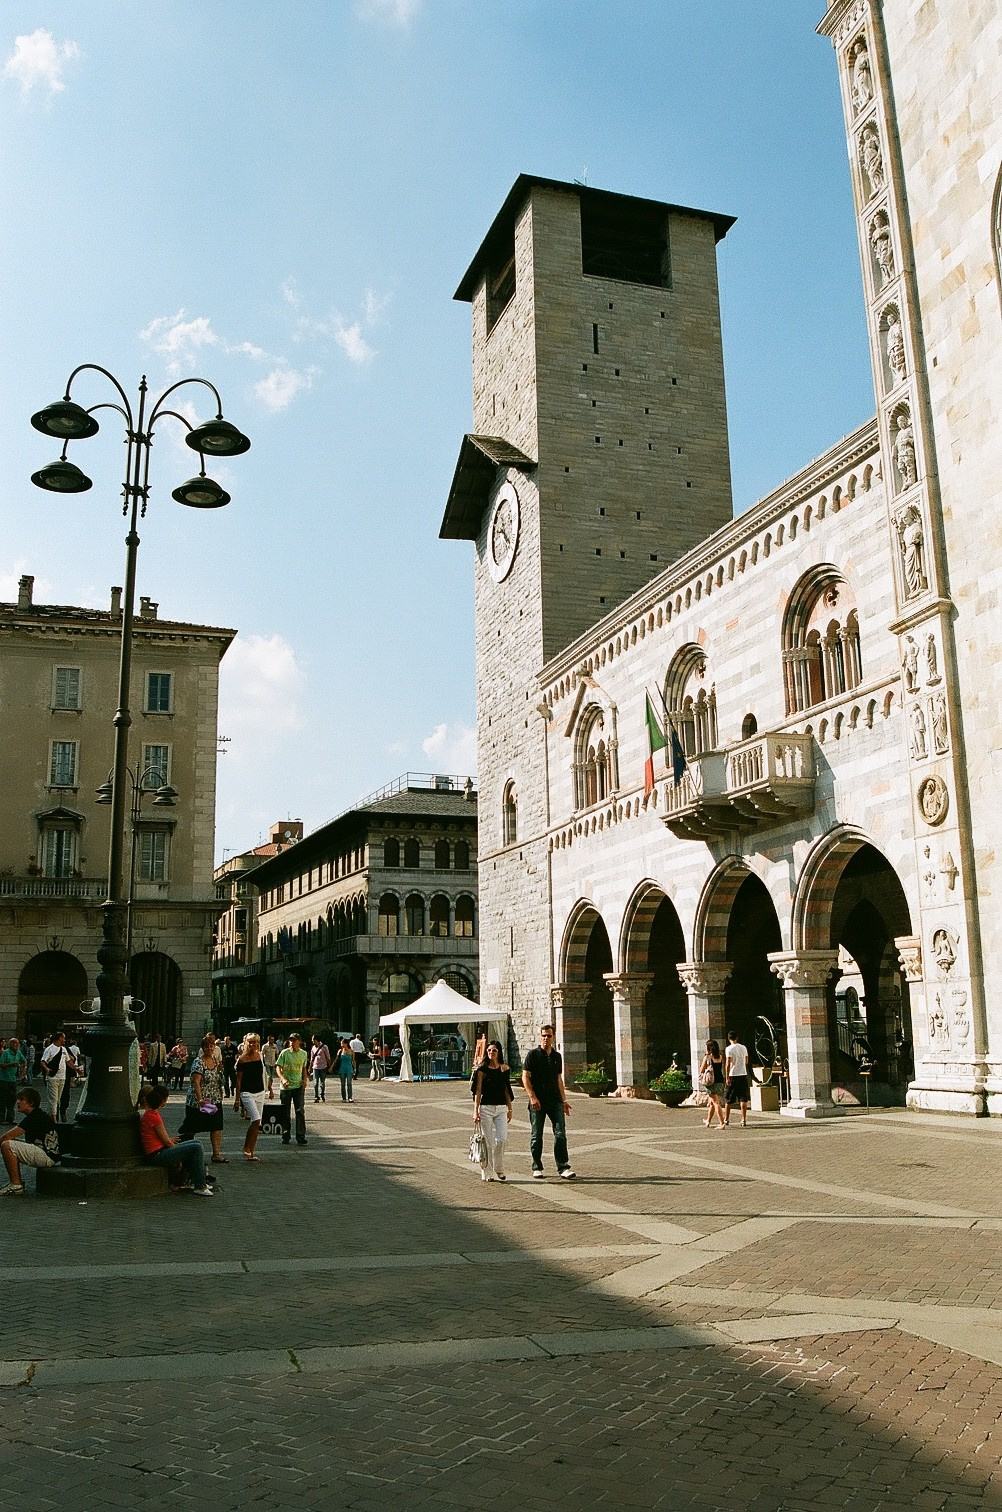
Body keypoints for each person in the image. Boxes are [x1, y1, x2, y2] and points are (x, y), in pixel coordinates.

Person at [138, 1085, 213, 1195]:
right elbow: (166, 1141)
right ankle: (200, 1185)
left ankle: (198, 1181)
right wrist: (178, 1154)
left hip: (157, 1151)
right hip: (157, 1154)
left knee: (196, 1143)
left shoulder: (150, 1115)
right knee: (196, 1147)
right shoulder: (154, 1116)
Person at [522, 1025, 575, 1179]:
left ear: (553, 1037)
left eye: (549, 1036)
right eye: (544, 1035)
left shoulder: (557, 1057)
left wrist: (564, 1100)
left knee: (560, 1134)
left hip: (555, 1101)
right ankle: (537, 1166)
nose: (546, 1038)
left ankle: (563, 1166)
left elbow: (559, 1079)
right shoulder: (533, 1055)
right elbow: (525, 1077)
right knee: (536, 1135)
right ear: (540, 1037)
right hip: (537, 1101)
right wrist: (532, 1097)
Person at [0, 1087, 60, 1194]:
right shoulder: (38, 1115)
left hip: (46, 1156)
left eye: (21, 1099)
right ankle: (16, 1182)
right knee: (10, 1143)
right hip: (48, 1153)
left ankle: (16, 1185)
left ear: (30, 1103)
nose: (18, 1102)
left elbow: (5, 1137)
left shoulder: (33, 1118)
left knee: (7, 1145)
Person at [177, 1034, 227, 1162]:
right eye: (206, 1046)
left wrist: (221, 1093)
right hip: (198, 1102)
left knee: (216, 1126)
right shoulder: (198, 1062)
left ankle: (216, 1154)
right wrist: (200, 1100)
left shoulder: (215, 1061)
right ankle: (182, 1151)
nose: (209, 1049)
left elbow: (218, 1080)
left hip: (214, 1100)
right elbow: (196, 1082)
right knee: (191, 1128)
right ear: (202, 1048)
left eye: (211, 1046)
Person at [472, 1040, 514, 1182]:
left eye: (494, 1050)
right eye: (489, 1050)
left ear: (499, 1052)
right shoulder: (482, 1070)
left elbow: (506, 1089)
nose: (491, 1053)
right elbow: (478, 1091)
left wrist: (510, 1108)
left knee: (502, 1139)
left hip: (501, 1107)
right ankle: (486, 1171)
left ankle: (499, 1168)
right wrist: (475, 1111)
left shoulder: (504, 1069)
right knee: (487, 1142)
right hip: (486, 1108)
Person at [234, 1033, 267, 1161]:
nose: (252, 1045)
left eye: (255, 1042)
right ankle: (246, 1147)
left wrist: (268, 1088)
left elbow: (264, 1073)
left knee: (257, 1123)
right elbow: (238, 1081)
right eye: (250, 1042)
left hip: (260, 1092)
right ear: (246, 1043)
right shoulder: (242, 1059)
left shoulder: (259, 1056)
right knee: (256, 1119)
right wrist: (237, 1099)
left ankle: (250, 1151)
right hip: (247, 1093)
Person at [277, 1032, 308, 1146]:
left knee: (300, 1111)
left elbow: (304, 1068)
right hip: (286, 1087)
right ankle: (285, 1135)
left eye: (294, 1040)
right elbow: (278, 1068)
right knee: (285, 1112)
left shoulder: (303, 1054)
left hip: (298, 1086)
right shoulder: (284, 1053)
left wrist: (304, 1079)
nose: (292, 1042)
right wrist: (282, 1078)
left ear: (299, 1042)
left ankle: (300, 1136)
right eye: (290, 1040)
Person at [40, 1032, 73, 1120]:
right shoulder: (49, 1049)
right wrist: (46, 1069)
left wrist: (76, 1069)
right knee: (53, 1099)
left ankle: (51, 1115)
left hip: (62, 1077)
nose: (65, 1040)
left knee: (57, 1100)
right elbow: (43, 1061)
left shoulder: (63, 1049)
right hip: (53, 1077)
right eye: (64, 1038)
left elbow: (68, 1061)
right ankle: (54, 1119)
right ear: (59, 1038)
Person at [724, 1029, 751, 1129]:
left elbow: (727, 1063)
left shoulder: (729, 1049)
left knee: (728, 1098)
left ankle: (726, 1119)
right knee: (743, 1098)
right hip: (743, 1074)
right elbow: (746, 1060)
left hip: (733, 1074)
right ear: (737, 1037)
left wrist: (727, 1077)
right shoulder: (743, 1047)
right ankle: (743, 1119)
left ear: (728, 1038)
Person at [699, 1039, 726, 1130]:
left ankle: (721, 1123)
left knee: (715, 1102)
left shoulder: (708, 1057)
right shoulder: (720, 1057)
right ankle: (708, 1121)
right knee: (711, 1102)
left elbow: (701, 1070)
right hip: (720, 1080)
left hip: (711, 1082)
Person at [0, 1037, 26, 1124]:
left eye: (18, 1043)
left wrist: (24, 1069)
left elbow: (24, 1060)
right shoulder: (5, 1053)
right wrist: (11, 1064)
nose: (17, 1044)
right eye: (15, 1043)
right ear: (11, 1044)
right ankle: (1, 1119)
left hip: (12, 1079)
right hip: (3, 1079)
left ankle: (10, 1118)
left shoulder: (18, 1053)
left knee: (12, 1099)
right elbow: (1, 1064)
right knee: (2, 1099)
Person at [308, 1035, 332, 1103]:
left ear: (316, 1040)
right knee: (315, 1083)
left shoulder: (324, 1047)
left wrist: (329, 1066)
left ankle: (322, 1094)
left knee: (322, 1082)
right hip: (315, 1067)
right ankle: (316, 1097)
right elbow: (312, 1058)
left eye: (313, 1039)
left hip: (323, 1067)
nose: (312, 1041)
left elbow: (328, 1057)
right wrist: (310, 1067)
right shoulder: (313, 1048)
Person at [335, 1038, 356, 1103]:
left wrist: (355, 1069)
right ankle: (344, 1097)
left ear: (346, 1043)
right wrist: (332, 1067)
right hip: (342, 1069)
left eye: (342, 1043)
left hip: (349, 1069)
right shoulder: (340, 1051)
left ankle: (350, 1097)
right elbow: (336, 1060)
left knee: (349, 1083)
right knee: (343, 1084)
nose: (341, 1045)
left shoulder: (351, 1051)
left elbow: (353, 1061)